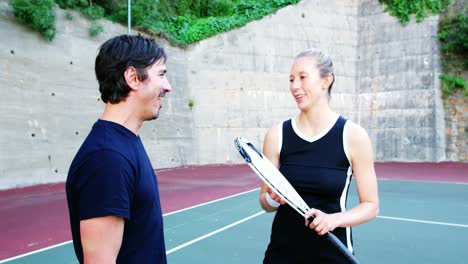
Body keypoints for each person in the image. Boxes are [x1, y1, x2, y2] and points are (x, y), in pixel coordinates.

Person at [259, 48, 379, 263]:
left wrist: (333, 220)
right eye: (291, 79)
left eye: (303, 77)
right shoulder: (276, 135)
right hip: (282, 254)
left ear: (326, 81)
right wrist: (272, 198)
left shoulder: (353, 136)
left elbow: (371, 206)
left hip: (332, 254)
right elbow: (265, 202)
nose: (295, 86)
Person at [66, 34, 172, 264]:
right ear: (133, 77)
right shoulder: (106, 158)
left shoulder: (124, 143)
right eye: (161, 74)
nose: (168, 86)